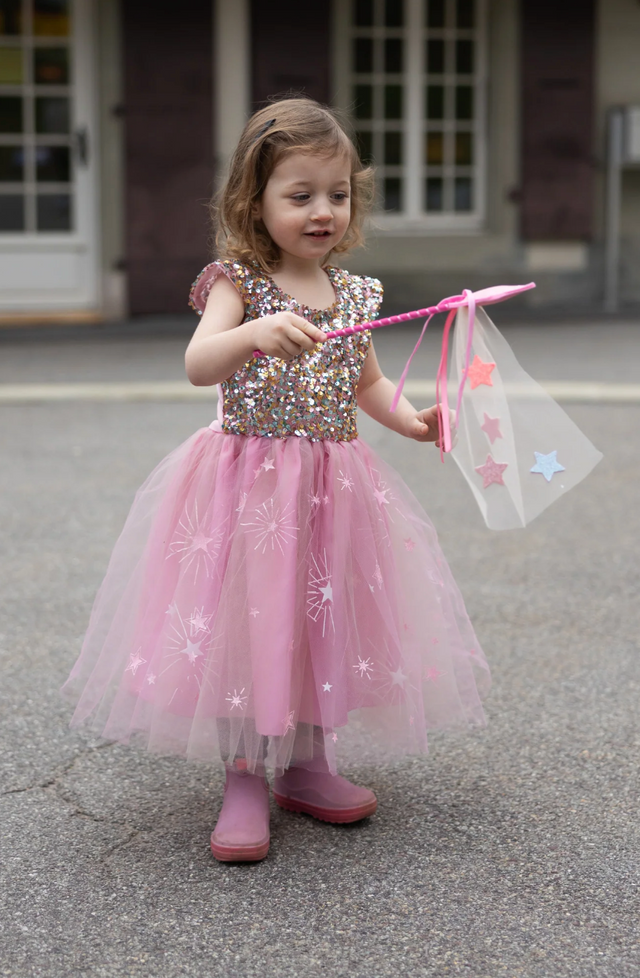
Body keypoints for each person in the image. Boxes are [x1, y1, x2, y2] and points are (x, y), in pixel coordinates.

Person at [63, 98, 490, 862]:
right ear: (253, 202)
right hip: (250, 489)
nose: (322, 210)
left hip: (333, 491)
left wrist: (414, 421)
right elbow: (199, 365)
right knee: (251, 625)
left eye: (338, 193)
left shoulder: (355, 294)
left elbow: (366, 387)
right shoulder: (241, 283)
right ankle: (245, 776)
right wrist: (252, 332)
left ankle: (306, 762)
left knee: (319, 623)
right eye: (300, 195)